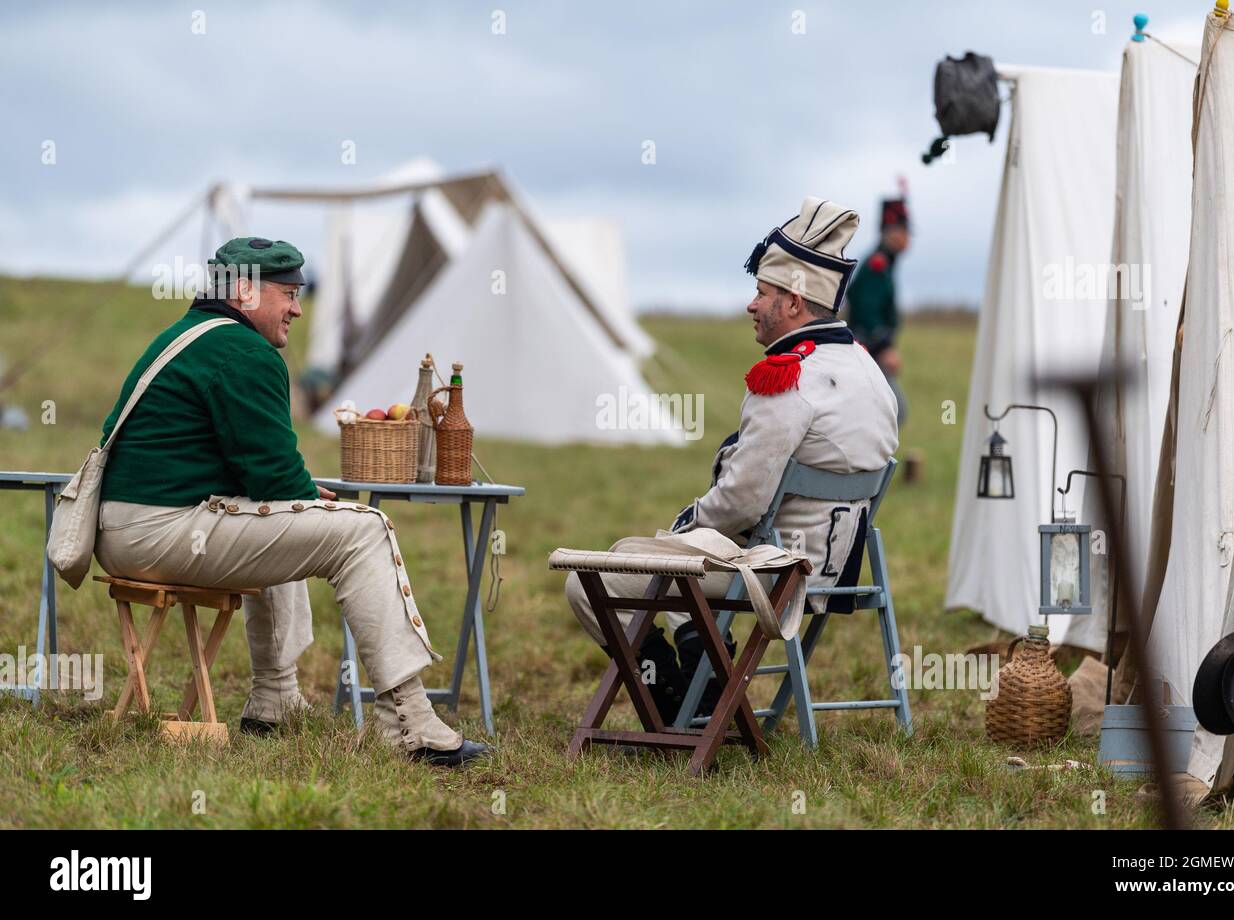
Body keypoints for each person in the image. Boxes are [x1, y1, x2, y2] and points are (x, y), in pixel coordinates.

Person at [93, 237, 488, 768]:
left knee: (295, 521)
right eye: (288, 293)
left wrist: (299, 498)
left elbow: (263, 481)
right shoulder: (243, 352)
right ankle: (410, 723)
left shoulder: (186, 335)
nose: (299, 308)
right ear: (245, 292)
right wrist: (305, 498)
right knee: (363, 529)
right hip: (161, 532)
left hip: (128, 532)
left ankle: (274, 699)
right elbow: (275, 476)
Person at [565, 197, 900, 721]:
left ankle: (671, 701)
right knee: (669, 558)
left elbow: (742, 503)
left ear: (793, 302)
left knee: (590, 582)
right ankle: (702, 684)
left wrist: (685, 524)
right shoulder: (867, 369)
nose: (751, 304)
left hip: (775, 572)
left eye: (761, 292)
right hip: (840, 567)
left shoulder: (787, 376)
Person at [846, 194, 910, 425]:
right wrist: (883, 347)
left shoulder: (885, 263)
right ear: (890, 232)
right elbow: (865, 308)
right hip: (869, 351)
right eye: (904, 231)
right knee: (894, 411)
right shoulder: (877, 264)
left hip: (869, 351)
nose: (908, 238)